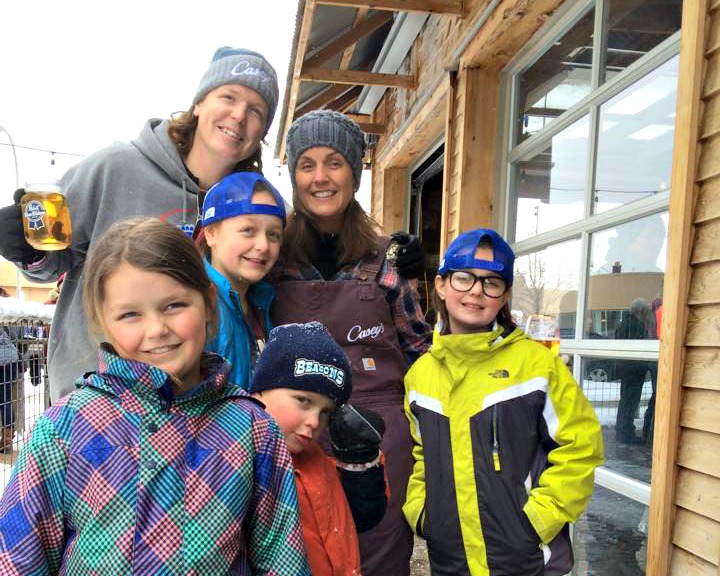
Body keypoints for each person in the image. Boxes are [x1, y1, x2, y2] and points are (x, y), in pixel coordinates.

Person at [0, 218, 309, 575]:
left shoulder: (253, 429)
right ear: (103, 321)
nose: (157, 330)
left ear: (208, 303)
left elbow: (281, 559)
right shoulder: (65, 430)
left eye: (174, 305)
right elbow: (17, 558)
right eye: (130, 314)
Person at [0, 46, 279, 403]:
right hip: (95, 399)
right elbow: (52, 260)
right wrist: (27, 249)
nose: (239, 115)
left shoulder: (255, 211)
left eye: (256, 110)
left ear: (263, 132)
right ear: (199, 104)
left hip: (199, 409)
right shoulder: (116, 168)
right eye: (228, 96)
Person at [269, 109, 433, 576]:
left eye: (334, 162)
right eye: (307, 164)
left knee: (378, 550)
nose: (320, 177)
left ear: (355, 173)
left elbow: (421, 350)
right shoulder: (273, 257)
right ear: (295, 175)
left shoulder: (386, 260)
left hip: (380, 428)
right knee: (301, 550)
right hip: (295, 427)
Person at [403, 228, 603, 576]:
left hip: (526, 560)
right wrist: (422, 512)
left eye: (492, 282)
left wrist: (539, 519)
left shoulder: (538, 366)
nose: (477, 291)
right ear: (441, 284)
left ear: (505, 294)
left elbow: (581, 447)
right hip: (451, 560)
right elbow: (420, 455)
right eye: (464, 278)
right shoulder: (419, 376)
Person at [250, 321, 388, 576]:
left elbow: (363, 516)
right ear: (259, 391)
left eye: (326, 412)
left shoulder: (320, 462)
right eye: (303, 401)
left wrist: (361, 464)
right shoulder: (236, 464)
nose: (315, 422)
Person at [198, 171, 286, 389]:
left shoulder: (262, 301)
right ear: (211, 234)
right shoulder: (195, 304)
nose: (263, 246)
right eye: (248, 230)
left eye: (273, 234)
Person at [614, 297, 657, 445]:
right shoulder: (636, 326)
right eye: (646, 311)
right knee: (630, 402)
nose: (647, 314)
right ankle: (626, 433)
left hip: (626, 369)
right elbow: (640, 349)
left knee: (625, 401)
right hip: (633, 370)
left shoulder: (623, 323)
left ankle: (622, 431)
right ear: (640, 311)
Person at [0, 289, 21, 453]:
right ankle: (7, 437)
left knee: (4, 399)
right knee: (5, 399)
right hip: (11, 360)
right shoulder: (10, 309)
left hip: (4, 361)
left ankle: (6, 437)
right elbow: (16, 334)